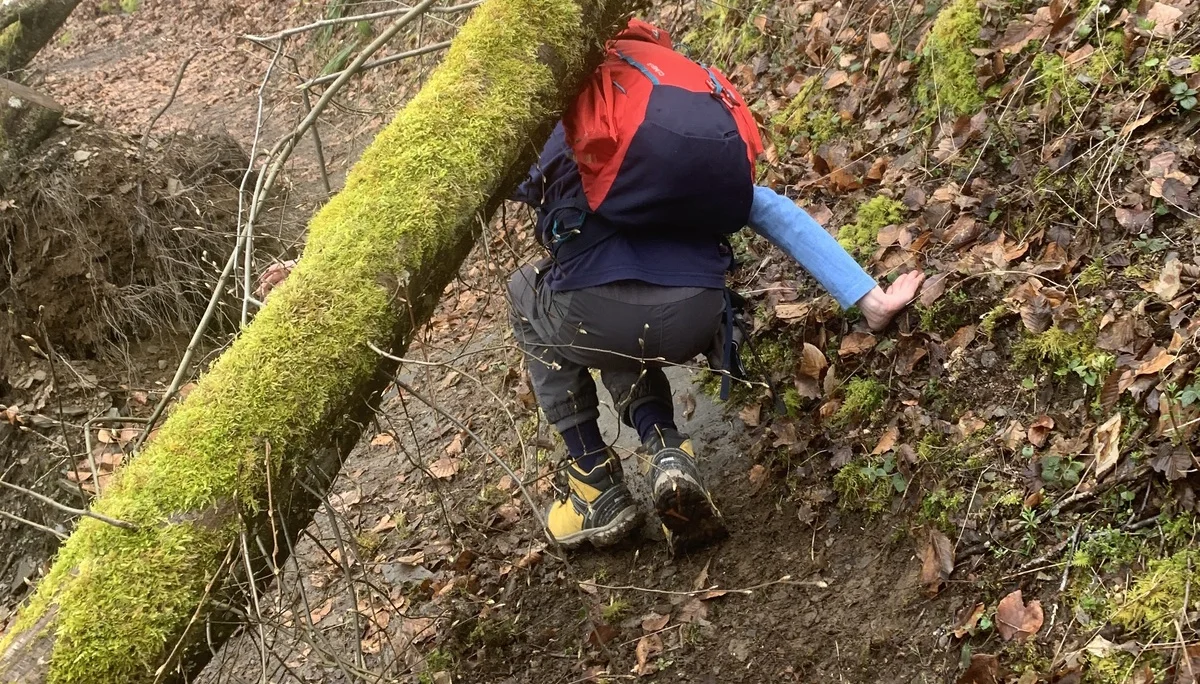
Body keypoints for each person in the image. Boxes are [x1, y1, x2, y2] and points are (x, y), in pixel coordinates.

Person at [507, 19, 924, 551]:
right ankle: (668, 451)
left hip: (599, 312)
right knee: (607, 306)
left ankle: (593, 480)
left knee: (534, 291)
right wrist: (869, 297)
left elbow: (515, 185)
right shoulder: (666, 120)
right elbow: (771, 210)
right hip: (697, 314)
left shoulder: (566, 118)